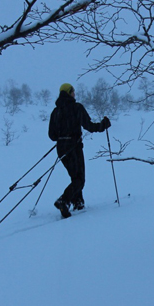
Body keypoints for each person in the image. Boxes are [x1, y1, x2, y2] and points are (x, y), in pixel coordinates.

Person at [48, 82, 110, 218]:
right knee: (79, 180)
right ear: (69, 92)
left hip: (61, 148)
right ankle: (63, 201)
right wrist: (103, 125)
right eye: (73, 91)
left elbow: (52, 136)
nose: (74, 94)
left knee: (74, 176)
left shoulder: (55, 111)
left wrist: (62, 135)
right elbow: (89, 126)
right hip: (74, 147)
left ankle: (78, 203)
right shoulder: (76, 107)